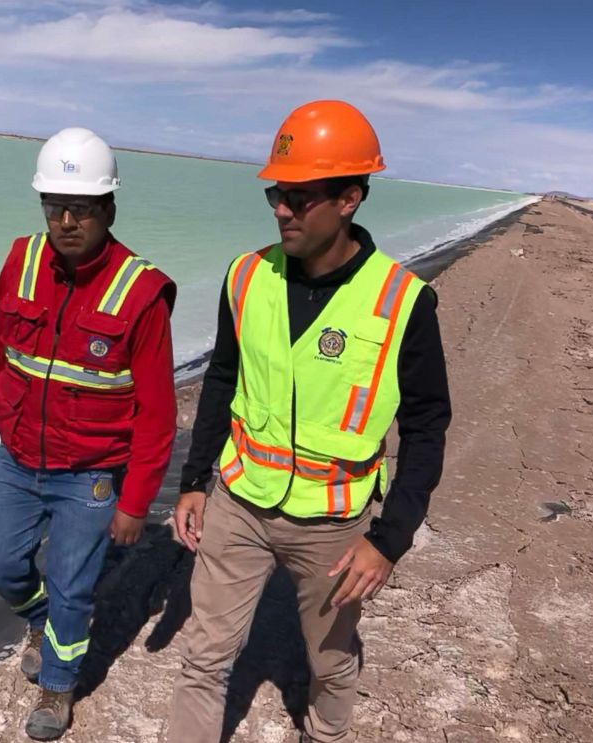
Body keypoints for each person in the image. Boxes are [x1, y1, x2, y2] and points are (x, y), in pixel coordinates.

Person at [167, 100, 451, 742]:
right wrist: (192, 478)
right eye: (276, 193)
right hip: (239, 502)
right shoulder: (246, 277)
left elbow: (428, 427)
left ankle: (326, 732)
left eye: (299, 196)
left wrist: (389, 538)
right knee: (204, 656)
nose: (281, 209)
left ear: (350, 197)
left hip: (333, 524)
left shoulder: (402, 301)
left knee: (329, 660)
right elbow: (221, 380)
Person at [0, 128, 177, 740]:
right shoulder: (20, 259)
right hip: (19, 459)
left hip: (88, 473)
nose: (66, 221)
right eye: (54, 206)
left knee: (73, 586)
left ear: (108, 209)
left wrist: (135, 502)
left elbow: (159, 414)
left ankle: (58, 688)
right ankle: (38, 619)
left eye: (81, 208)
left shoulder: (141, 293)